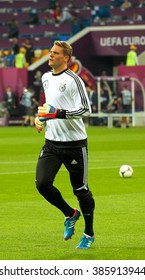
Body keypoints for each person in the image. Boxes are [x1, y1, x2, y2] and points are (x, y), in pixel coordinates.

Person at [35, 40, 95, 249]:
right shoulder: (45, 77)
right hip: (52, 142)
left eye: (55, 53)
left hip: (74, 145)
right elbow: (50, 106)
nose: (50, 55)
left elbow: (86, 110)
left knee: (81, 189)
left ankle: (89, 233)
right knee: (42, 184)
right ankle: (70, 214)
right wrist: (40, 118)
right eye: (50, 52)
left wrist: (57, 113)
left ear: (65, 58)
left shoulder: (73, 80)